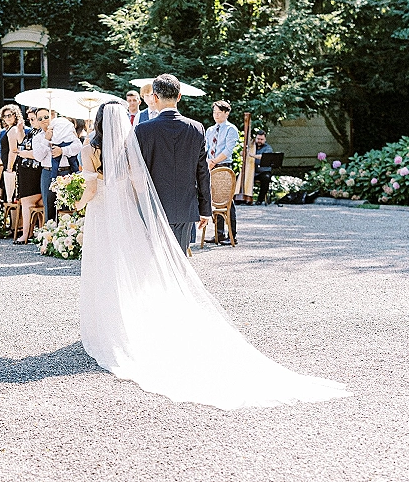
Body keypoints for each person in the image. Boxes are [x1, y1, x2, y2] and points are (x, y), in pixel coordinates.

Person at [75, 100, 351, 411]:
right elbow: (179, 174)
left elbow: (93, 186)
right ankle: (157, 317)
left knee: (110, 265)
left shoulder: (119, 139)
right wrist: (199, 209)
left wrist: (73, 202)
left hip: (107, 211)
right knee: (153, 265)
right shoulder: (157, 137)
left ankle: (115, 322)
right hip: (164, 208)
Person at [135, 74, 211, 255]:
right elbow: (203, 172)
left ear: (154, 97)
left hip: (154, 207)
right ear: (179, 96)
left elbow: (137, 171)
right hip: (186, 206)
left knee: (155, 263)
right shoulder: (196, 128)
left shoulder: (143, 130)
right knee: (179, 261)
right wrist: (205, 209)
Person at [32, 109, 82, 222]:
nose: (44, 120)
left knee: (66, 206)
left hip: (65, 172)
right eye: (40, 119)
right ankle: (49, 233)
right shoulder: (37, 138)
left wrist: (63, 150)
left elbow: (78, 146)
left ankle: (66, 234)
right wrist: (46, 140)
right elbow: (38, 157)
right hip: (48, 172)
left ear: (53, 116)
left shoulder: (65, 131)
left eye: (46, 117)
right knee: (49, 205)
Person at [205, 100, 239, 244]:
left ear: (226, 113)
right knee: (215, 199)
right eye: (214, 112)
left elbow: (228, 150)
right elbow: (207, 147)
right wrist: (208, 161)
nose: (216, 115)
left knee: (227, 200)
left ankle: (232, 234)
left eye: (219, 113)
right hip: (211, 165)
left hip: (223, 165)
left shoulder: (231, 129)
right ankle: (219, 234)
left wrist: (215, 161)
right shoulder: (210, 130)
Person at [14, 108, 43, 243]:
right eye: (29, 119)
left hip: (33, 171)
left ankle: (26, 234)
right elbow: (23, 143)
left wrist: (22, 153)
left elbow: (36, 153)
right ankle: (29, 232)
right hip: (26, 170)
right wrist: (20, 131)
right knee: (26, 203)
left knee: (27, 203)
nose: (31, 122)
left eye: (33, 119)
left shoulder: (42, 133)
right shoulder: (32, 132)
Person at [0, 104, 21, 202]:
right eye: (5, 116)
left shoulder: (13, 130)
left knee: (11, 198)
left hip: (11, 166)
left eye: (10, 115)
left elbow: (13, 150)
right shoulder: (10, 129)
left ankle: (13, 218)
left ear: (15, 115)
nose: (7, 118)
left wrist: (9, 168)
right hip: (7, 165)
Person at [250, 130, 274, 205]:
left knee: (266, 177)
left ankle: (260, 200)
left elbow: (263, 157)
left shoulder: (268, 148)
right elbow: (243, 152)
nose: (259, 141)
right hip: (252, 172)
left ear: (265, 140)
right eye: (258, 139)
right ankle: (241, 198)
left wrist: (252, 155)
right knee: (238, 178)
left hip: (263, 172)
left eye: (261, 139)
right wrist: (243, 152)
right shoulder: (252, 147)